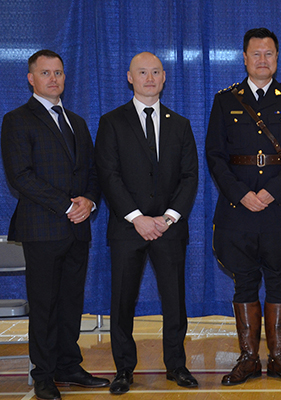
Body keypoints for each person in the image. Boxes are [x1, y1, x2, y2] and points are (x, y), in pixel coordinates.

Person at [206, 28, 281, 386]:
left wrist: (271, 192)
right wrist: (241, 194)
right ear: (245, 58)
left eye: (269, 54)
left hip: (280, 207)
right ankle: (249, 359)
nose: (263, 59)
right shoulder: (226, 100)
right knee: (245, 282)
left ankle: (279, 358)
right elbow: (215, 156)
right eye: (256, 54)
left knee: (280, 281)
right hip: (238, 210)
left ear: (277, 59)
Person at [1, 49, 108, 400]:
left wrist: (89, 201)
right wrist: (66, 205)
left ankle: (67, 365)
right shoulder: (17, 119)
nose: (53, 79)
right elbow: (20, 176)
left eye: (58, 73)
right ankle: (43, 373)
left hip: (78, 228)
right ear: (31, 78)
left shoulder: (76, 121)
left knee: (70, 303)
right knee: (44, 304)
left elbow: (92, 172)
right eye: (45, 73)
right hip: (42, 228)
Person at [95, 52, 198, 394]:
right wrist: (138, 218)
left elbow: (189, 177)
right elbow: (108, 175)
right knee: (122, 302)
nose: (149, 78)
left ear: (164, 77)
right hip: (128, 229)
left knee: (174, 302)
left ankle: (177, 366)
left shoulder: (180, 124)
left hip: (170, 229)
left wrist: (167, 218)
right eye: (142, 72)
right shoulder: (112, 122)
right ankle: (124, 369)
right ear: (130, 77)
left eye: (155, 71)